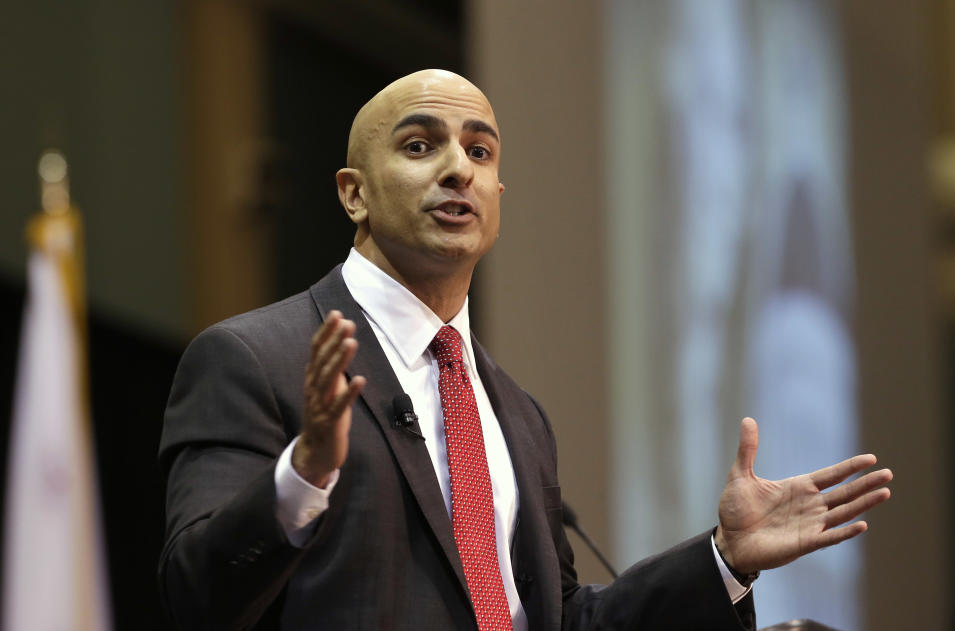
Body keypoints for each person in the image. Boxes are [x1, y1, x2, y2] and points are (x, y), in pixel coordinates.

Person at [158, 69, 892, 631]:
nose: (458, 169)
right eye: (421, 146)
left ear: (498, 194)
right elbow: (194, 596)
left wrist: (722, 560)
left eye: (479, 150)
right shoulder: (251, 359)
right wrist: (304, 476)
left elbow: (564, 621)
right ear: (353, 194)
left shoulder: (517, 415)